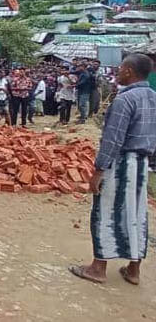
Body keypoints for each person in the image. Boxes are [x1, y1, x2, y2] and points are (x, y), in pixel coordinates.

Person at [69, 53, 156, 285]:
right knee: (137, 214)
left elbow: (113, 140)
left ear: (128, 71)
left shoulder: (124, 100)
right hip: (141, 165)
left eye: (120, 68)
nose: (117, 72)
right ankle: (134, 270)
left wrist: (99, 170)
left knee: (106, 213)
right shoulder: (152, 97)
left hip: (121, 164)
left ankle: (98, 268)